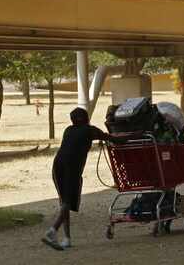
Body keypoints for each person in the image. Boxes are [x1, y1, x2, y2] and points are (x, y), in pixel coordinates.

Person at [42, 108, 128, 251]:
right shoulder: (89, 130)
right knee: (67, 202)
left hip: (57, 166)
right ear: (86, 118)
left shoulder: (68, 130)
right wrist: (138, 135)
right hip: (72, 168)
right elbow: (113, 139)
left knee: (64, 202)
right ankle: (52, 231)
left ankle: (67, 238)